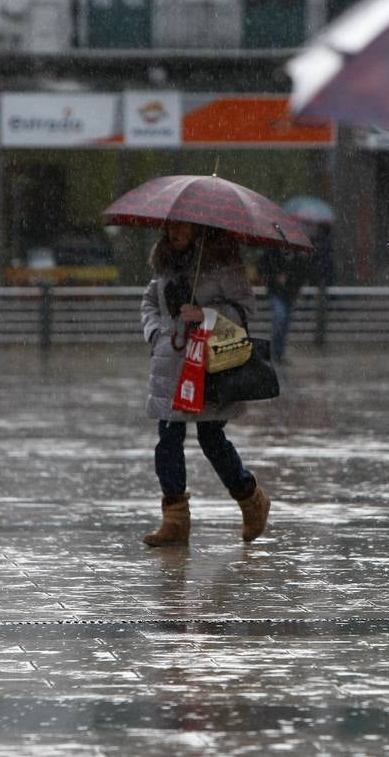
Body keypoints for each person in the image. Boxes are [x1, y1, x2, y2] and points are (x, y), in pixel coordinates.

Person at [139, 220, 270, 546]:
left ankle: (251, 499)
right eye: (171, 227)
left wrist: (205, 314)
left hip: (210, 365)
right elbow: (150, 304)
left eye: (182, 227)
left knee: (211, 438)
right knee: (168, 437)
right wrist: (156, 334)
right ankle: (175, 519)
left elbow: (244, 309)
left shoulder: (223, 263)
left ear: (200, 229)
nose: (175, 233)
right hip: (170, 365)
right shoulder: (164, 262)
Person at [257, 244, 310, 364]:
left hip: (290, 294)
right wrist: (275, 277)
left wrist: (293, 283)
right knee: (280, 318)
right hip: (276, 293)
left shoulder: (298, 257)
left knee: (285, 324)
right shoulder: (272, 253)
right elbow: (263, 267)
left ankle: (279, 354)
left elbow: (302, 274)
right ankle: (275, 351)